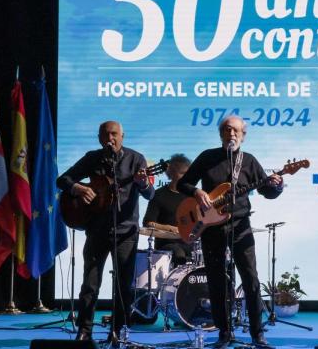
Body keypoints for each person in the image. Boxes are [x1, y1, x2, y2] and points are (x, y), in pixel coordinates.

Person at [178, 116, 284, 349]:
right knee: (216, 281)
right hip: (211, 228)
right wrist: (197, 193)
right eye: (227, 130)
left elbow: (267, 191)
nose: (232, 134)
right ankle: (224, 333)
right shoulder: (207, 157)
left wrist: (276, 185)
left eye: (236, 131)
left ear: (243, 135)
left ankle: (258, 334)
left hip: (240, 226)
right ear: (221, 134)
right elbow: (183, 184)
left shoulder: (249, 161)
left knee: (251, 279)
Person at [56, 121, 155, 344]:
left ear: (122, 136)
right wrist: (78, 188)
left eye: (114, 134)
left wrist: (142, 184)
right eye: (106, 135)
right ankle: (85, 330)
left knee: (122, 286)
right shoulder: (92, 158)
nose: (110, 138)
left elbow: (150, 195)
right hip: (97, 230)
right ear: (100, 138)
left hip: (126, 232)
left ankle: (118, 331)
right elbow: (62, 179)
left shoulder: (136, 159)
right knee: (90, 284)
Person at [142, 153, 193, 266]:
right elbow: (147, 223)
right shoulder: (159, 195)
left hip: (189, 244)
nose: (186, 177)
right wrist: (170, 229)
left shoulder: (193, 195)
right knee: (178, 253)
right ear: (172, 174)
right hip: (166, 246)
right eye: (182, 173)